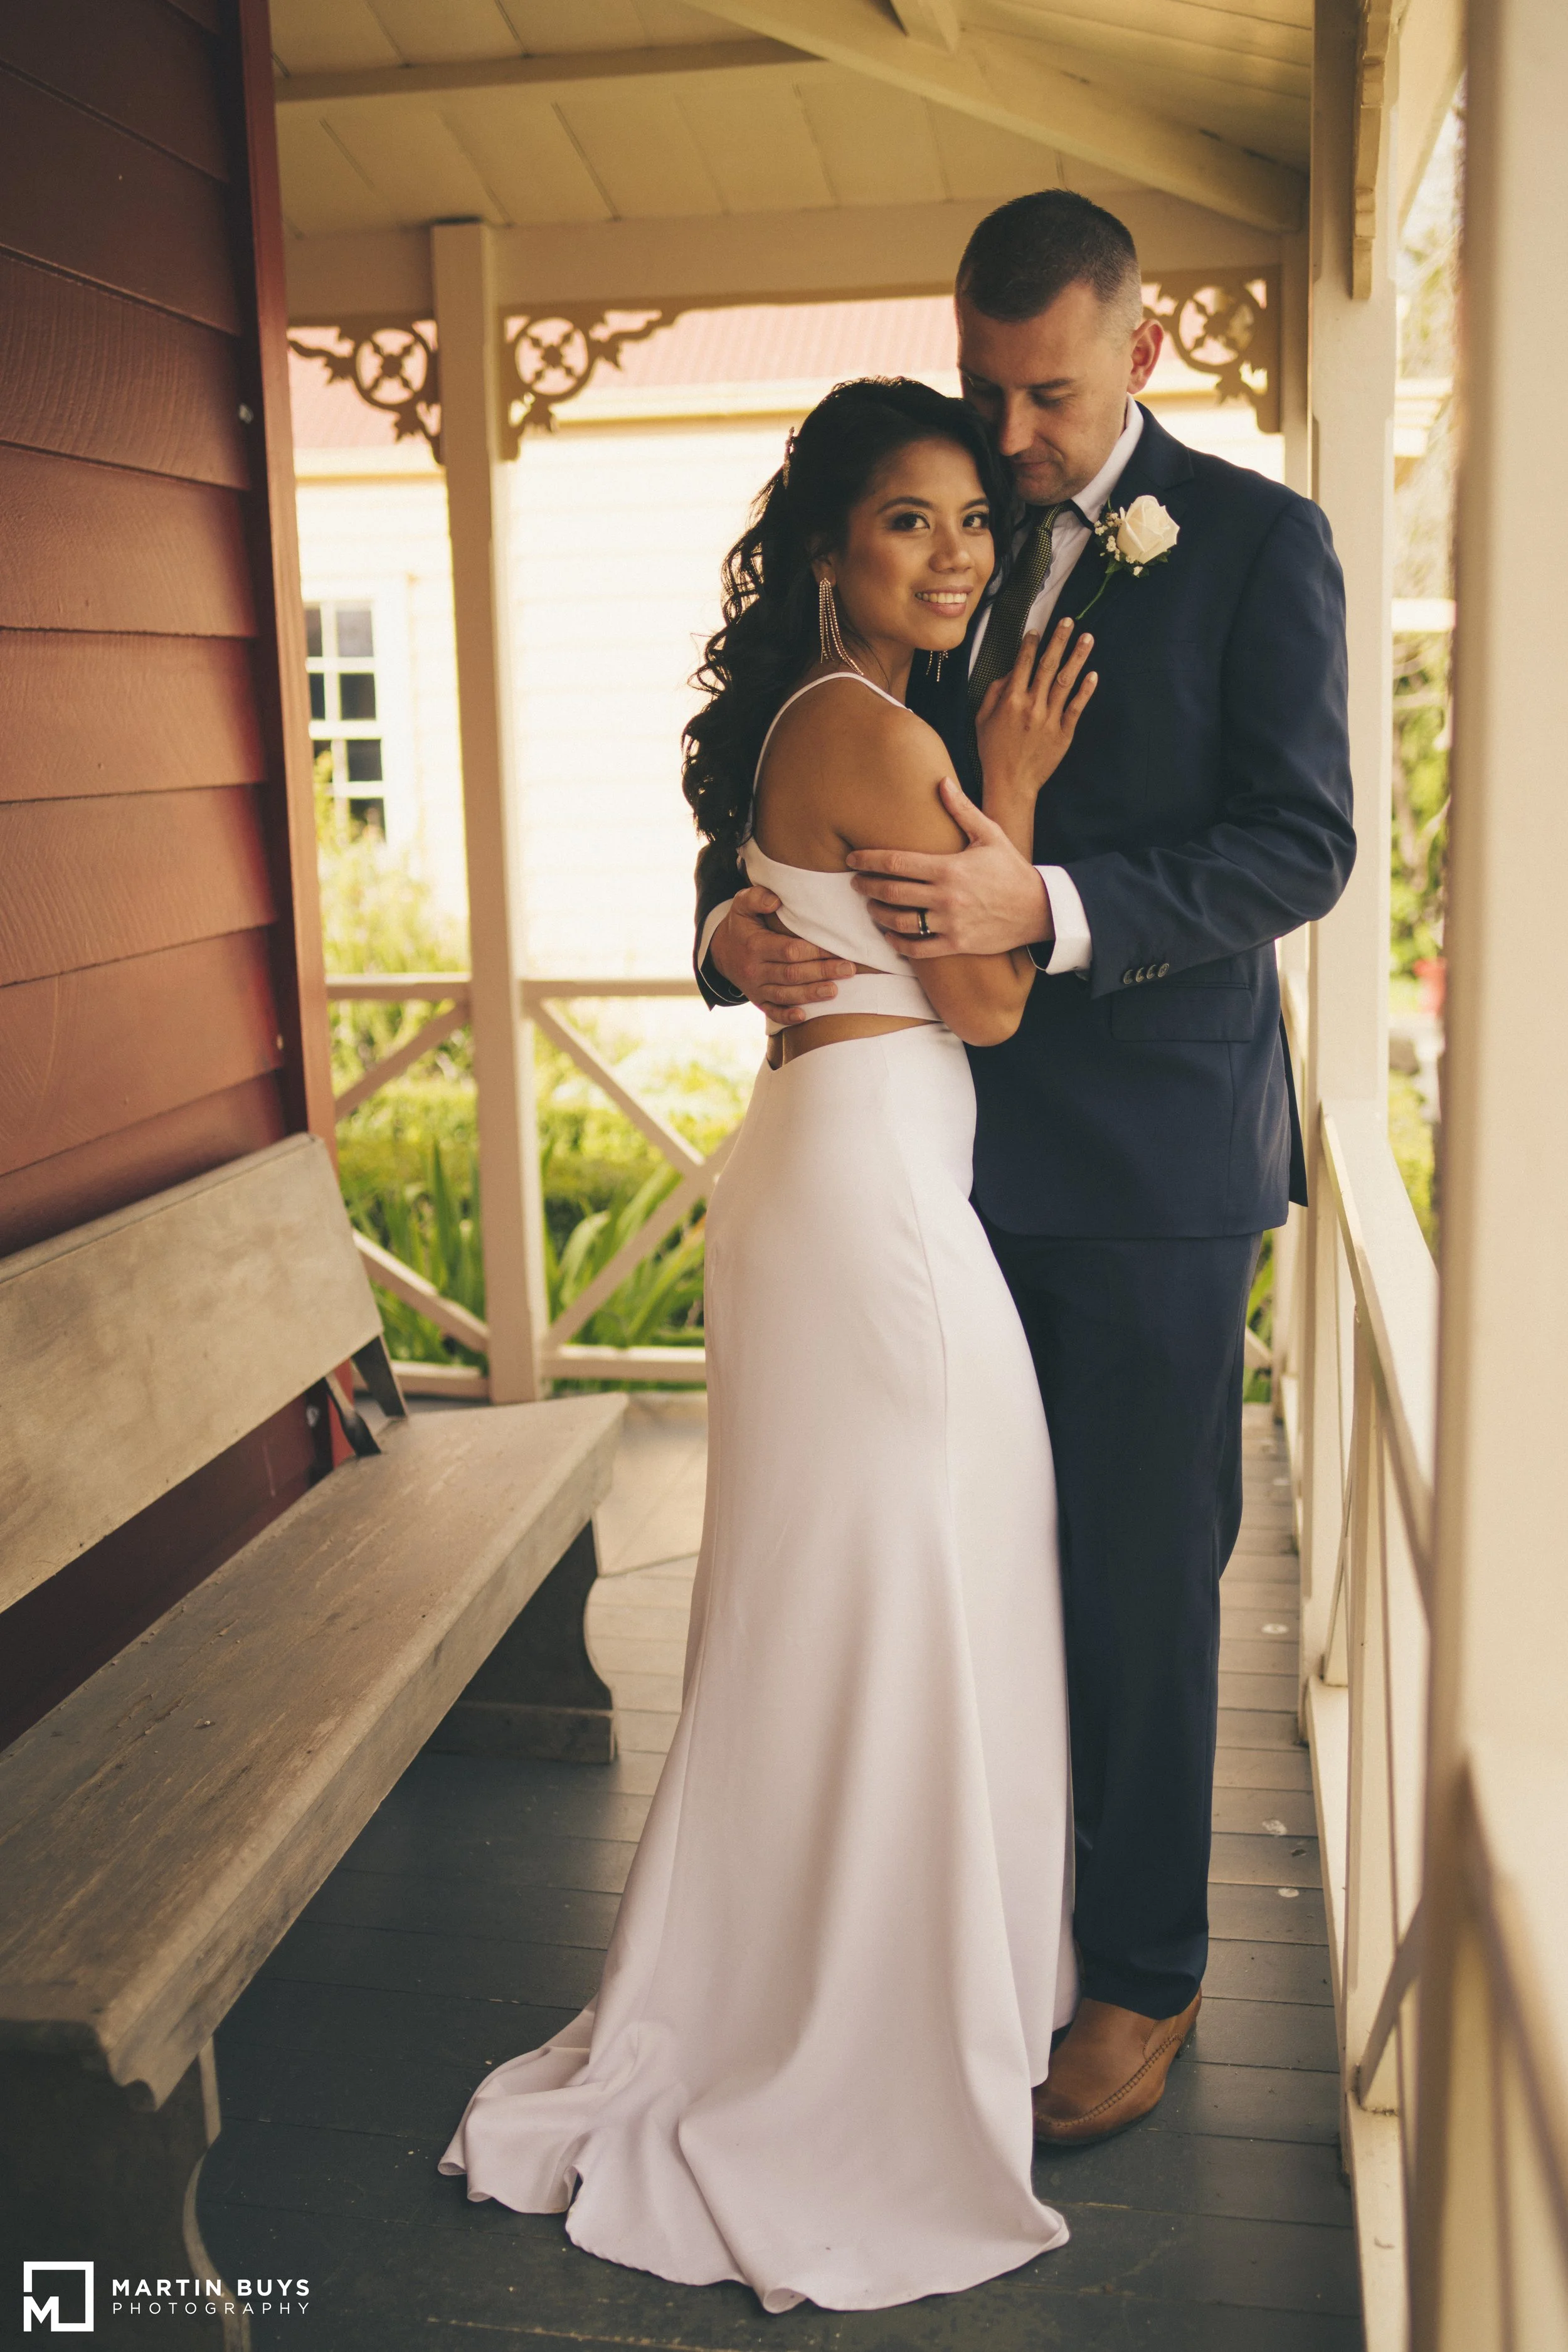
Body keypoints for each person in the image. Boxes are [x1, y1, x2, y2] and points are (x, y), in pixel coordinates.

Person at [697, 191, 1356, 2144]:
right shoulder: (935, 531)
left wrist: (1047, 893)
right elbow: (796, 748)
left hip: (1152, 1167)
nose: (1006, 440)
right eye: (986, 391)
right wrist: (722, 929)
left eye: (1045, 395)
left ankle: (1140, 1975)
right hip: (932, 1171)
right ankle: (981, 1937)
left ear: (1136, 354)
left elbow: (1297, 845)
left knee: (1144, 1588)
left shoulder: (1256, 544)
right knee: (972, 1576)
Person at [441, 378, 1100, 2309]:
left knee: (887, 1581)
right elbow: (983, 1000)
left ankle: (873, 1978)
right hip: (872, 1196)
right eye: (910, 521)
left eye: (971, 521)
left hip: (848, 1172)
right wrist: (1021, 783)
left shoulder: (828, 728)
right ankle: (861, 2031)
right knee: (905, 1584)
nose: (956, 553)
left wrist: (751, 919)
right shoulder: (879, 730)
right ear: (828, 552)